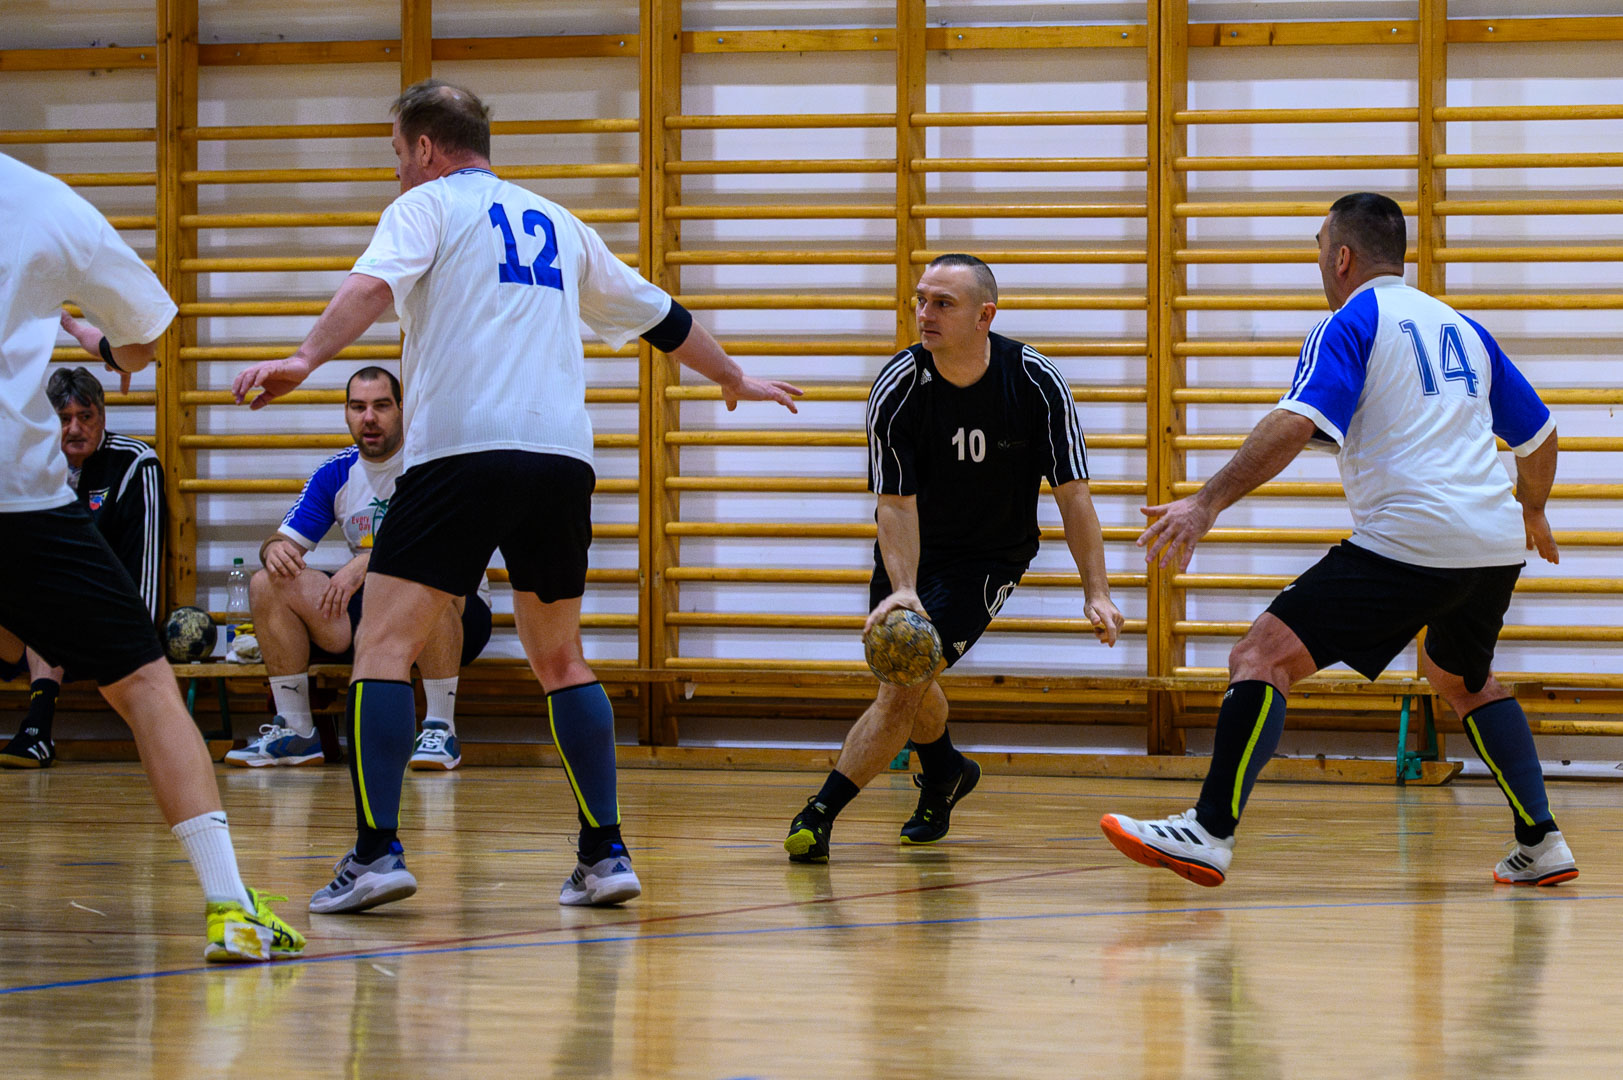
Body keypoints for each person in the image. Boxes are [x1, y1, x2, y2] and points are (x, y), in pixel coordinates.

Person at [231, 80, 801, 914]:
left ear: (424, 148)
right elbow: (660, 315)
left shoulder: (426, 206)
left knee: (380, 649)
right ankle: (604, 854)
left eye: (396, 154)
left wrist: (303, 358)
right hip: (560, 461)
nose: (397, 171)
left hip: (461, 451)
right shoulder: (558, 221)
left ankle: (376, 854)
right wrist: (733, 376)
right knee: (561, 658)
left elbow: (371, 288)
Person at [1101, 192, 1575, 888]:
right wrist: (1532, 510)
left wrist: (1204, 504)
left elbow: (1296, 422)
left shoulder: (1350, 321)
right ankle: (1541, 842)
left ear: (1342, 257)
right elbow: (1539, 436)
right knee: (1461, 679)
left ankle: (1207, 832)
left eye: (1320, 246)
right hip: (1492, 544)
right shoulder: (1461, 327)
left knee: (1259, 656)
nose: (1319, 260)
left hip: (1412, 537)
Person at [0, 149, 302, 960]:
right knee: (144, 684)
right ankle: (229, 907)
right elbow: (145, 342)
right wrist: (92, 339)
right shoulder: (45, 203)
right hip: (17, 499)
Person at [783, 254, 1125, 863]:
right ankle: (944, 771)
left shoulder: (1036, 382)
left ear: (984, 316)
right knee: (907, 670)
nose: (925, 313)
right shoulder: (899, 386)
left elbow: (1073, 496)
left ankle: (820, 813)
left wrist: (1096, 590)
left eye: (943, 303)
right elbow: (896, 503)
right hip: (912, 550)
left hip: (990, 557)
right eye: (921, 300)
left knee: (905, 681)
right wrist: (904, 587)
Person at [230, 365, 492, 770]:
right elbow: (281, 541)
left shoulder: (432, 463)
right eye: (358, 407)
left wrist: (368, 563)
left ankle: (441, 728)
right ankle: (296, 731)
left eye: (381, 406)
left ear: (402, 409)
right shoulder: (336, 472)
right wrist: (276, 550)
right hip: (375, 615)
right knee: (269, 582)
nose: (369, 417)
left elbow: (449, 547)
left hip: (457, 610)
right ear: (347, 413)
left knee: (427, 578)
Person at [0, 355, 163, 768]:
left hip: (106, 619)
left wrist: (140, 644)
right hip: (38, 621)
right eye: (63, 418)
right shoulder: (28, 467)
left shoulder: (135, 462)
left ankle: (36, 730)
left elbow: (145, 558)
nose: (75, 428)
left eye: (85, 416)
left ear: (102, 417)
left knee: (50, 598)